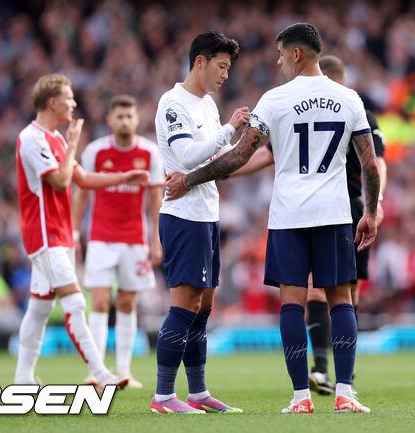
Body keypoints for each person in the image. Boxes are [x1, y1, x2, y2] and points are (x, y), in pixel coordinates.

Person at [165, 23, 380, 414]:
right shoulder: (349, 98)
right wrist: (370, 211)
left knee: (292, 305)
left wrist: (189, 180)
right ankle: (345, 393)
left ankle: (300, 398)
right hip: (335, 213)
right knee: (341, 301)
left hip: (289, 217)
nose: (279, 62)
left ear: (296, 54)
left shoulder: (275, 100)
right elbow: (369, 163)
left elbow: (239, 154)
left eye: (281, 55)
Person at [230, 54, 388, 396]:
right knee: (338, 293)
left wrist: (219, 170)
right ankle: (334, 376)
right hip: (341, 208)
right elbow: (374, 164)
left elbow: (260, 153)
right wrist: (375, 206)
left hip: (307, 209)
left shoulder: (286, 102)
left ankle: (316, 382)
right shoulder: (351, 104)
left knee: (314, 294)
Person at [14, 73, 149, 388]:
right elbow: (61, 180)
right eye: (69, 97)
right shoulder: (32, 139)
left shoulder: (56, 139)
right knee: (75, 303)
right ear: (53, 102)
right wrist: (74, 144)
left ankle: (22, 378)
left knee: (39, 308)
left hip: (58, 234)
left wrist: (124, 177)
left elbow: (84, 179)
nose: (74, 103)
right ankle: (101, 374)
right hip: (44, 235)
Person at [150, 31, 250, 414]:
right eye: (222, 66)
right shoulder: (173, 103)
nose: (225, 75)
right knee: (185, 305)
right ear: (200, 62)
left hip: (208, 215)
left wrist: (252, 143)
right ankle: (163, 396)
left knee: (204, 306)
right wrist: (229, 129)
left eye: (228, 69)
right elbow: (190, 156)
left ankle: (198, 392)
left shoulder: (207, 104)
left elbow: (218, 161)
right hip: (182, 216)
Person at [72, 95, 165, 389]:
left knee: (127, 303)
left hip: (134, 239)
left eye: (129, 116)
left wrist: (156, 239)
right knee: (99, 302)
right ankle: (96, 371)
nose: (125, 121)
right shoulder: (95, 151)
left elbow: (155, 198)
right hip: (101, 237)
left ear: (137, 119)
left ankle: (123, 371)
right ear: (109, 120)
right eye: (120, 116)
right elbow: (82, 193)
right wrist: (73, 233)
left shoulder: (149, 152)